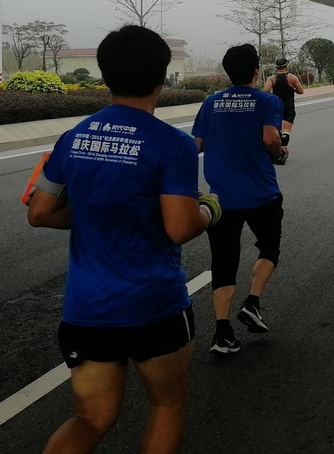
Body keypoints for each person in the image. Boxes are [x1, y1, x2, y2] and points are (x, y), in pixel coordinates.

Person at [28, 24, 218, 453]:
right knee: (167, 405)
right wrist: (209, 209)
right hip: (154, 306)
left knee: (91, 418)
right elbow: (178, 227)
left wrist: (98, 207)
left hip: (87, 308)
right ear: (161, 77)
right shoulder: (173, 145)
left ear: (105, 74)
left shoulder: (73, 138)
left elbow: (40, 213)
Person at [193, 44, 287, 355]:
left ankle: (221, 332)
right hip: (261, 192)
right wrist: (279, 151)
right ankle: (253, 302)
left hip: (221, 198)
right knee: (269, 247)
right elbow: (271, 138)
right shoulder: (267, 100)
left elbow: (195, 146)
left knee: (223, 261)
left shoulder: (210, 103)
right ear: (256, 71)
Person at [263, 57, 304, 164]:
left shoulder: (271, 79)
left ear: (276, 67)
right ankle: (283, 150)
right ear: (286, 66)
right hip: (289, 105)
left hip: (276, 106)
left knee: (278, 128)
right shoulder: (292, 78)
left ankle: (276, 151)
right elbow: (301, 91)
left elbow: (266, 90)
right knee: (286, 129)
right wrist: (292, 88)